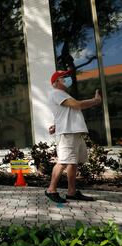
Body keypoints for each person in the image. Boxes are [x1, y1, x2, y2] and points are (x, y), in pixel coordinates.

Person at [45, 70, 102, 203]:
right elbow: (78, 105)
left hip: (73, 132)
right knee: (63, 161)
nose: (67, 78)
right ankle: (51, 190)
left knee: (73, 163)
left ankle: (71, 192)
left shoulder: (64, 94)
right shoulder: (57, 93)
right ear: (55, 82)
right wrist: (95, 100)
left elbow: (65, 114)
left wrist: (55, 125)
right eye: (64, 77)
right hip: (67, 133)